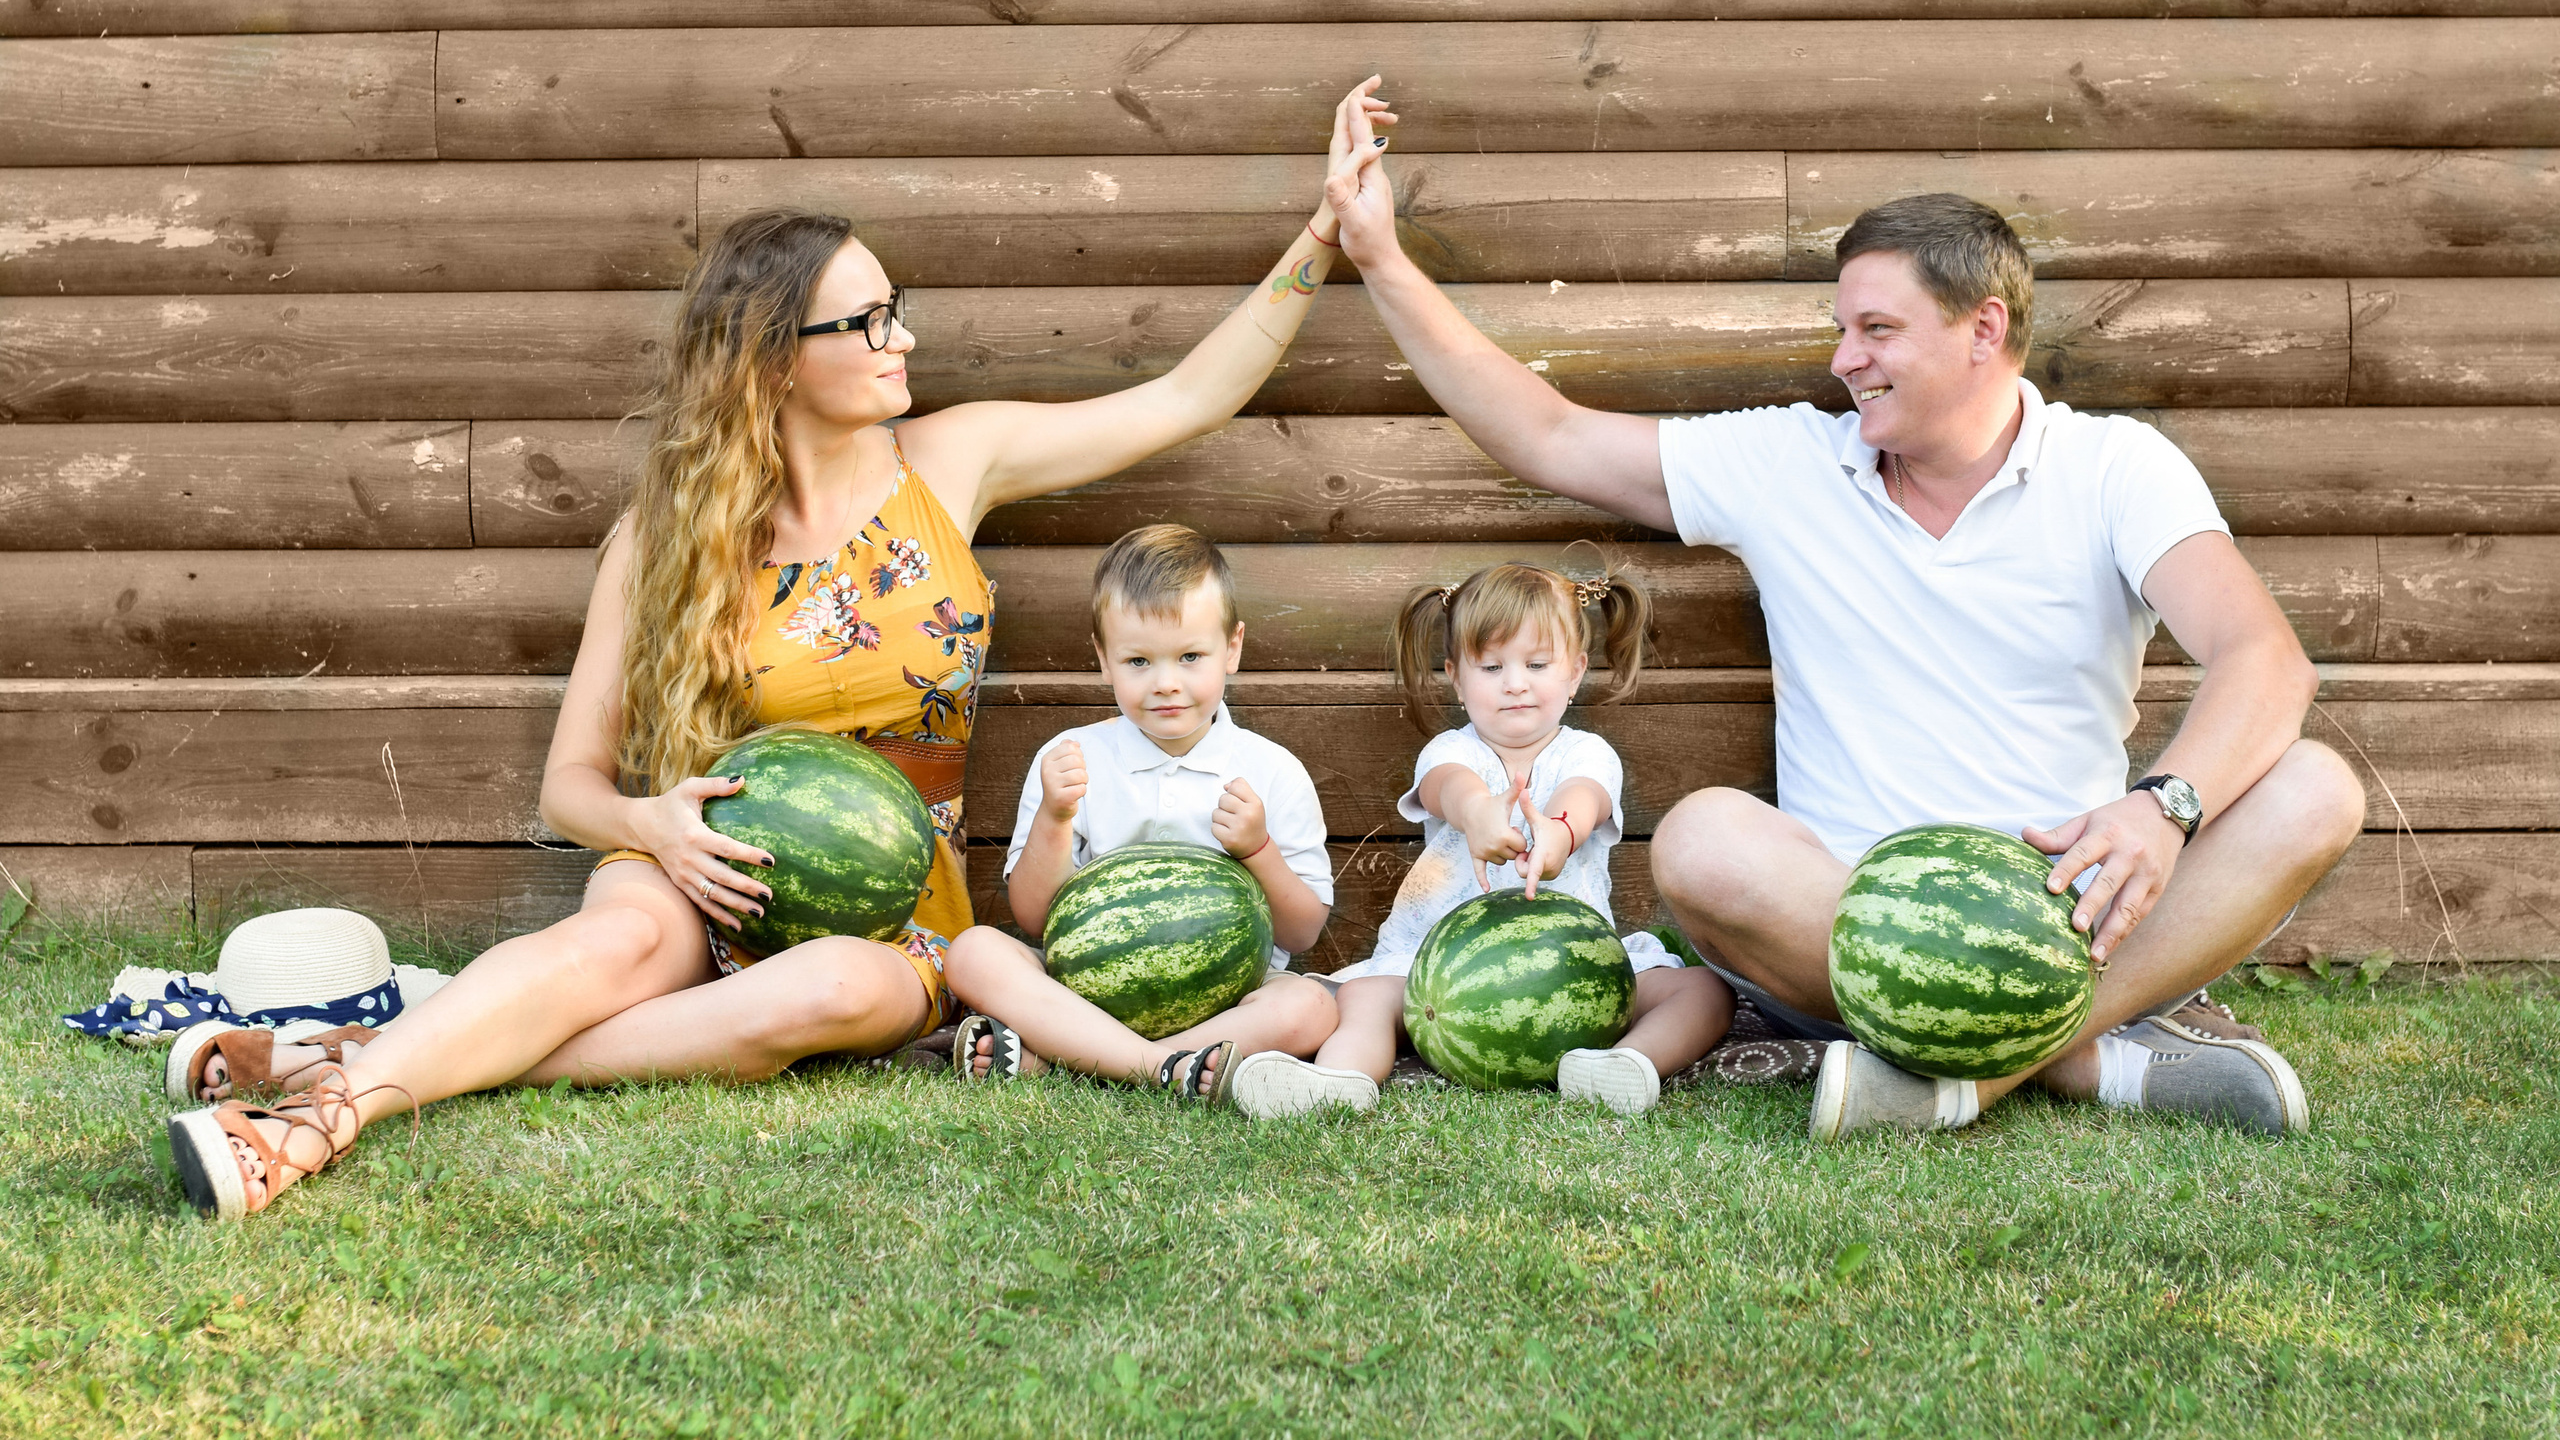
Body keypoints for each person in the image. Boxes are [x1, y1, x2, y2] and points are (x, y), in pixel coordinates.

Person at [161, 82, 1396, 1219]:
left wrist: (1322, 233)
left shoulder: (951, 464)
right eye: (865, 322)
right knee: (610, 943)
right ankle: (309, 1129)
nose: (900, 337)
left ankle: (387, 1047)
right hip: (703, 874)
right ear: (772, 360)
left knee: (828, 999)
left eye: (893, 310)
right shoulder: (664, 539)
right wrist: (656, 830)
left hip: (898, 913)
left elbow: (1187, 397)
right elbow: (570, 787)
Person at [1323, 107, 2364, 1142]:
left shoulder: (2114, 468)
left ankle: (1991, 1067)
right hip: (1836, 924)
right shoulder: (1790, 463)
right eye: (1841, 329)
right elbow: (1547, 435)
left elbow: (2262, 658)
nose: (1842, 360)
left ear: (1982, 331)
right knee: (1700, 840)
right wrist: (1378, 256)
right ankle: (2077, 1055)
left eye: (1875, 331)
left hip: (2065, 915)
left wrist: (2160, 808)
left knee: (2315, 786)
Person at [1244, 561, 1733, 1118]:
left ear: (1574, 672)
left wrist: (1559, 832)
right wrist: (1477, 814)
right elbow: (1448, 789)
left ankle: (1624, 1066)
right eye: (1492, 666)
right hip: (1435, 971)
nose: (1515, 682)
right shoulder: (1452, 753)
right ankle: (1338, 1081)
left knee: (1702, 990)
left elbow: (1585, 795)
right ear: (1456, 676)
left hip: (1572, 969)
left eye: (1537, 664)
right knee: (1363, 997)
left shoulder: (1587, 754)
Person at [940, 525, 1339, 1113]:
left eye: (1190, 656)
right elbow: (1032, 918)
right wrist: (1054, 817)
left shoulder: (1271, 771)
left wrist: (1259, 852)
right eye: (1138, 661)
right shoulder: (1072, 758)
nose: (1166, 682)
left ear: (1233, 647)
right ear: (1104, 660)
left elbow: (1301, 933)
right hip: (1082, 990)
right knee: (974, 951)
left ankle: (1068, 1058)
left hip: (1228, 998)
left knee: (1312, 1007)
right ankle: (1161, 1069)